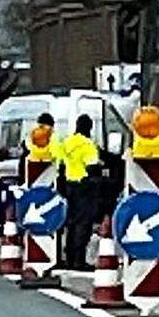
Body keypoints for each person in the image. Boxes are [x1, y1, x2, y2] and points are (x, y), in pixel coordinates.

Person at [61, 114, 101, 270]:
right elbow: (93, 167)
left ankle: (69, 258)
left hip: (69, 186)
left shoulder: (67, 143)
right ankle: (79, 260)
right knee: (83, 224)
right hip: (84, 187)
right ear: (89, 128)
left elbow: (61, 165)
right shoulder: (88, 145)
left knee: (71, 223)